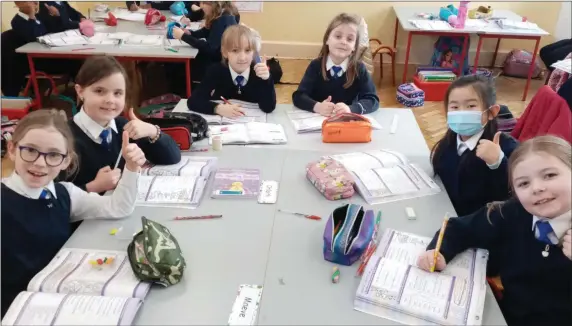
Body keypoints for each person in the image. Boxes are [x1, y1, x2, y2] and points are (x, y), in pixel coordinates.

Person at [1, 109, 146, 317]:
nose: (40, 163)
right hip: (17, 311)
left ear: (66, 160)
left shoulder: (64, 194)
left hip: (64, 301)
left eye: (53, 155)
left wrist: (131, 168)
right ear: (13, 149)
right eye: (30, 150)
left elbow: (118, 207)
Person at [418, 135, 571, 326]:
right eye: (524, 183)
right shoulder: (513, 213)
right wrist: (439, 251)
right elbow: (458, 228)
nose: (537, 188)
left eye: (550, 175)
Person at [66, 55, 181, 194]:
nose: (110, 100)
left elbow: (172, 157)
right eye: (99, 91)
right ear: (80, 91)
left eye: (118, 93)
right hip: (89, 214)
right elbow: (48, 199)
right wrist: (93, 187)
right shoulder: (63, 138)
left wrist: (152, 131)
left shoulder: (123, 127)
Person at [292, 13, 379, 116]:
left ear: (354, 46)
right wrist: (318, 107)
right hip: (317, 121)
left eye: (350, 39)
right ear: (327, 39)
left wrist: (351, 109)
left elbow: (372, 100)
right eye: (338, 36)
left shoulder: (359, 69)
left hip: (346, 124)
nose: (343, 42)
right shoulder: (315, 65)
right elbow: (298, 96)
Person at [187, 24, 276, 116]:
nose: (242, 58)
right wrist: (217, 108)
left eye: (247, 50)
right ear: (225, 52)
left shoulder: (259, 73)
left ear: (254, 53)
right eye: (235, 50)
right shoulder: (215, 71)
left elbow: (268, 107)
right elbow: (193, 101)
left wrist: (266, 80)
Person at [168, 1, 239, 93]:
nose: (201, 6)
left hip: (217, 62)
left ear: (214, 4)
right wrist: (190, 33)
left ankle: (182, 95)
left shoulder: (224, 19)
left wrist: (183, 37)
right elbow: (207, 31)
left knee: (176, 65)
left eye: (203, 3)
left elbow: (210, 49)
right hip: (216, 56)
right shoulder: (222, 14)